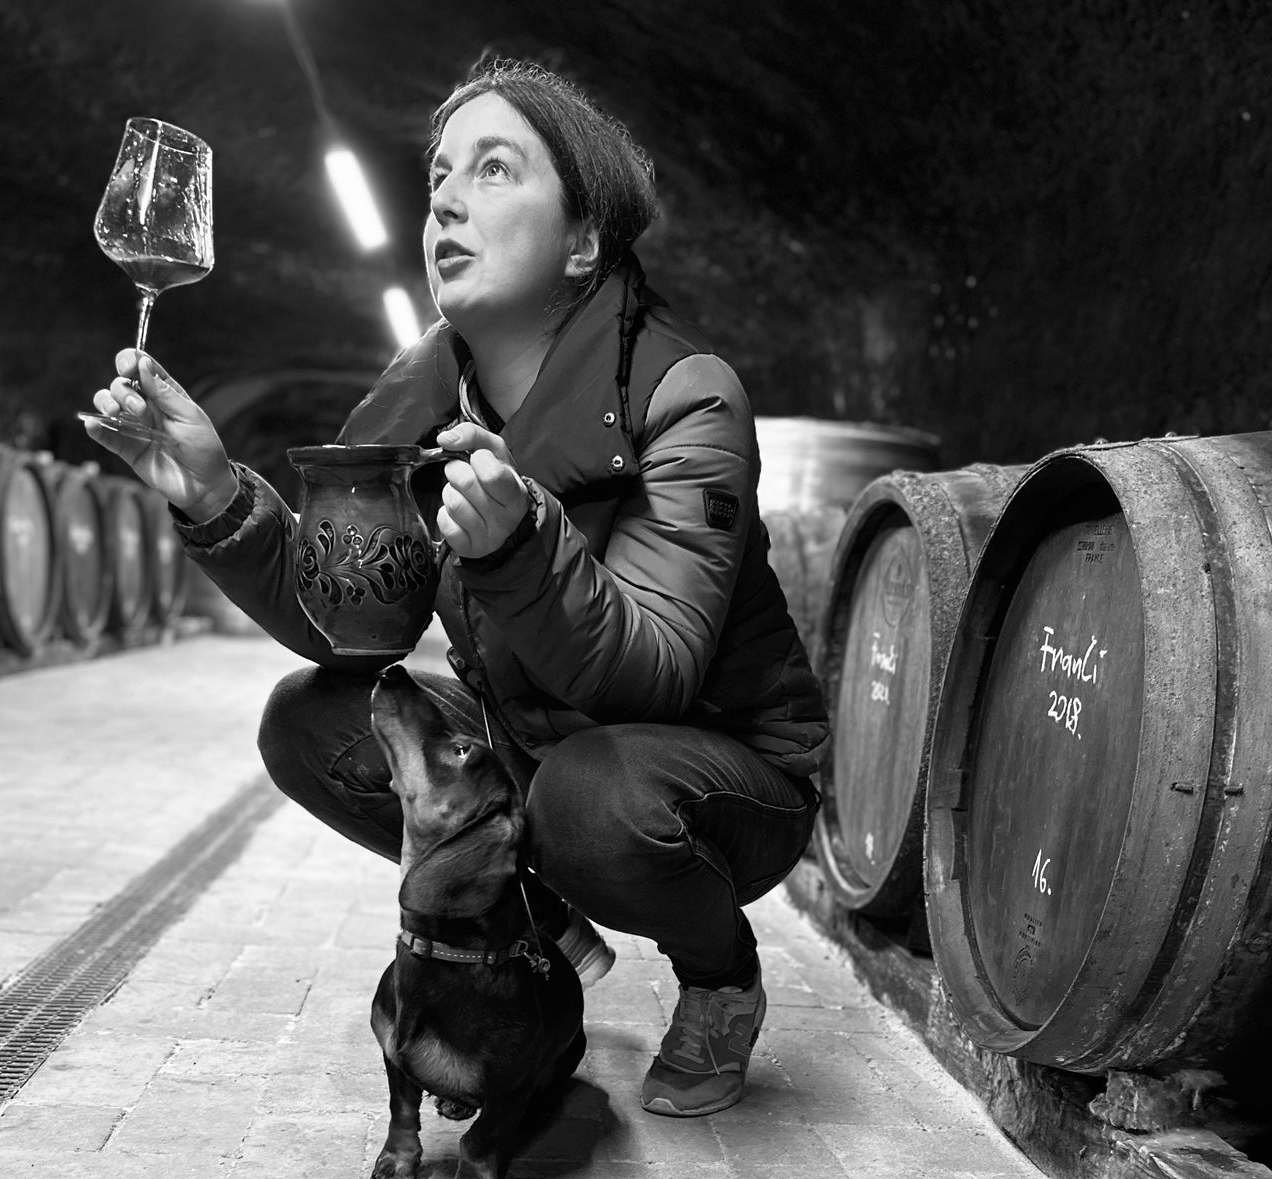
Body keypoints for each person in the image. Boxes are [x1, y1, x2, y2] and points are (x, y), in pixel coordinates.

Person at [86, 58, 829, 1118]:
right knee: (313, 720)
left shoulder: (683, 396)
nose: (443, 200)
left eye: (493, 170)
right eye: (438, 175)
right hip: (534, 738)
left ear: (583, 241)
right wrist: (214, 495)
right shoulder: (421, 410)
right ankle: (528, 907)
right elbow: (349, 619)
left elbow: (660, 670)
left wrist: (522, 546)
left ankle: (720, 978)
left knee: (592, 799)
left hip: (720, 770)